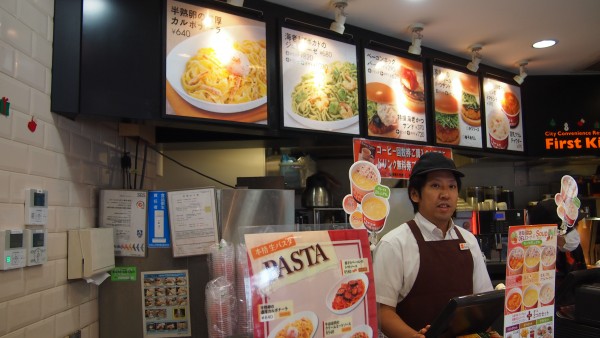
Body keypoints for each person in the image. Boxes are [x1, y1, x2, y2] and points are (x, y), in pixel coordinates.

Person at [373, 152, 493, 338]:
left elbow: (483, 302)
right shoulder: (394, 244)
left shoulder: (468, 241)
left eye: (452, 186)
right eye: (435, 185)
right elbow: (382, 312)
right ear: (415, 194)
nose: (445, 194)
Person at [527, 198, 587, 284]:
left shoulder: (575, 249)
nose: (574, 232)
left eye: (574, 225)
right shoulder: (533, 258)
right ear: (546, 232)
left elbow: (584, 280)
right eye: (567, 229)